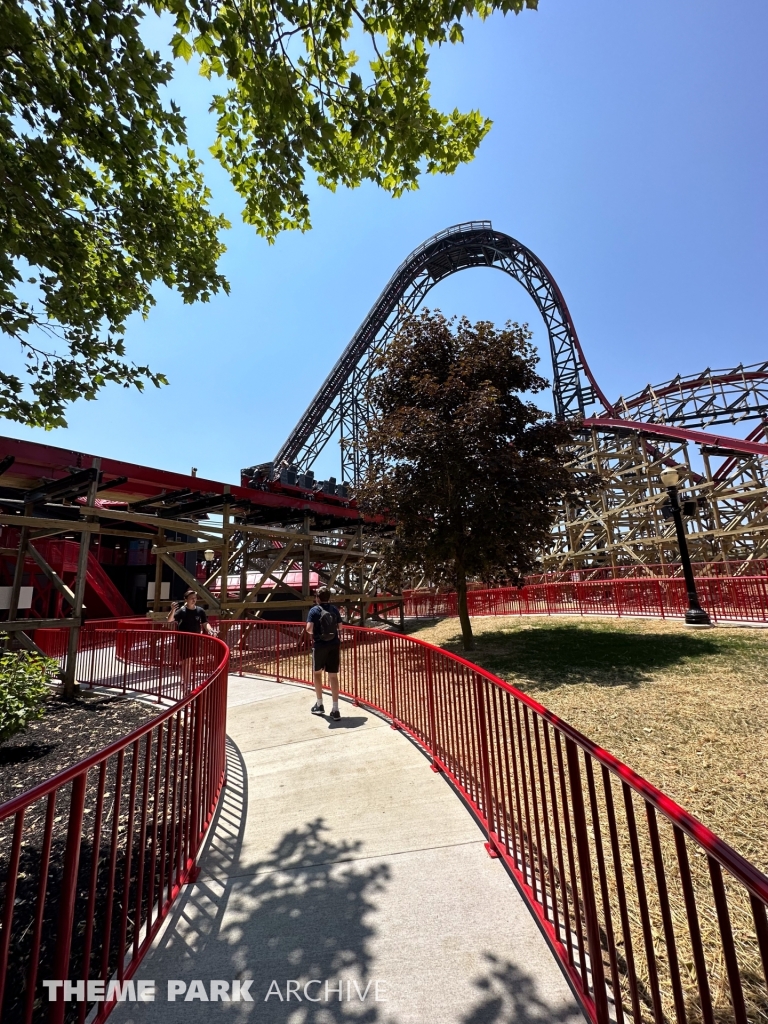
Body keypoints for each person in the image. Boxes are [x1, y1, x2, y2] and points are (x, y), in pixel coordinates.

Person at [305, 586, 343, 720]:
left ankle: (320, 704)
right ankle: (336, 708)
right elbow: (340, 627)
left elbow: (309, 629)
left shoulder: (314, 610)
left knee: (317, 673)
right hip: (334, 644)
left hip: (320, 645)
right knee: (333, 675)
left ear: (317, 598)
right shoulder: (334, 609)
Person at [167, 590, 214, 683]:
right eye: (191, 598)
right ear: (186, 599)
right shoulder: (182, 611)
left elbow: (205, 623)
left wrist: (210, 630)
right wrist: (172, 610)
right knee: (186, 660)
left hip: (194, 639)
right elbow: (170, 620)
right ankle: (186, 680)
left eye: (195, 598)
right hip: (183, 639)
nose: (194, 600)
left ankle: (185, 679)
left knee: (189, 660)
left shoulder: (200, 611)